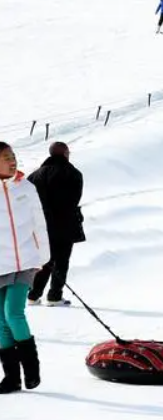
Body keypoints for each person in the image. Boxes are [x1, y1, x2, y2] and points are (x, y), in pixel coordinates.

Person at [0, 142, 50, 394]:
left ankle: (31, 370)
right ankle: (11, 377)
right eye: (6, 157)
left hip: (23, 262)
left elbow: (39, 222)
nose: (12, 161)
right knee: (0, 321)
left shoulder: (26, 187)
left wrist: (43, 256)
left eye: (13, 156)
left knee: (14, 314)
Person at [26, 142, 84, 307]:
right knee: (62, 261)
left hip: (40, 225)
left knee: (44, 260)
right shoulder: (73, 174)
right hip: (65, 225)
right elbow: (74, 200)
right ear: (65, 153)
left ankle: (33, 295)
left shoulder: (34, 176)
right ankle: (55, 296)